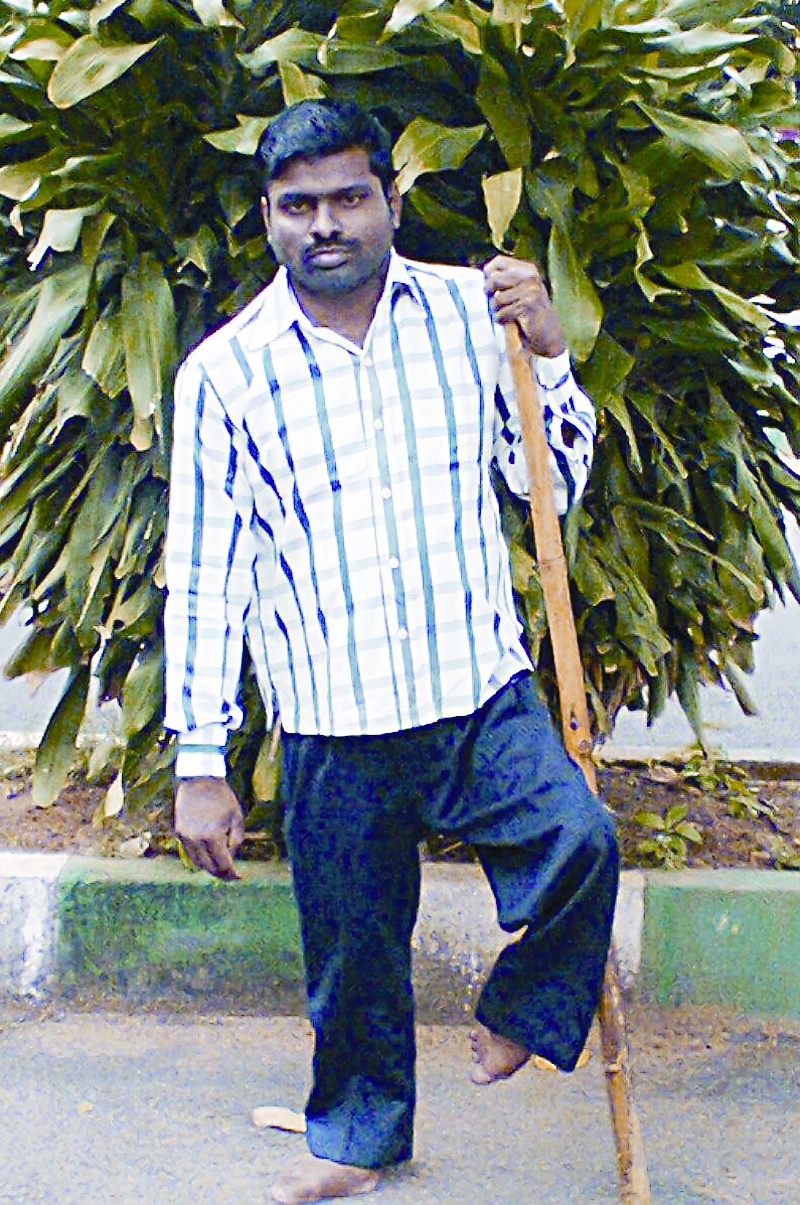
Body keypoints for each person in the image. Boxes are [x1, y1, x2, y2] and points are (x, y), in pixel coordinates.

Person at [164, 99, 619, 1205]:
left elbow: (548, 487)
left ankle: (522, 1009)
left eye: (348, 198)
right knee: (353, 951)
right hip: (334, 709)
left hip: (476, 686)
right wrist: (200, 758)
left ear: (391, 201)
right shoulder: (225, 373)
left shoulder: (472, 315)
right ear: (268, 216)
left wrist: (551, 356)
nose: (325, 224)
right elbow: (209, 572)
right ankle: (358, 1138)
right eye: (298, 205)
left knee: (581, 838)